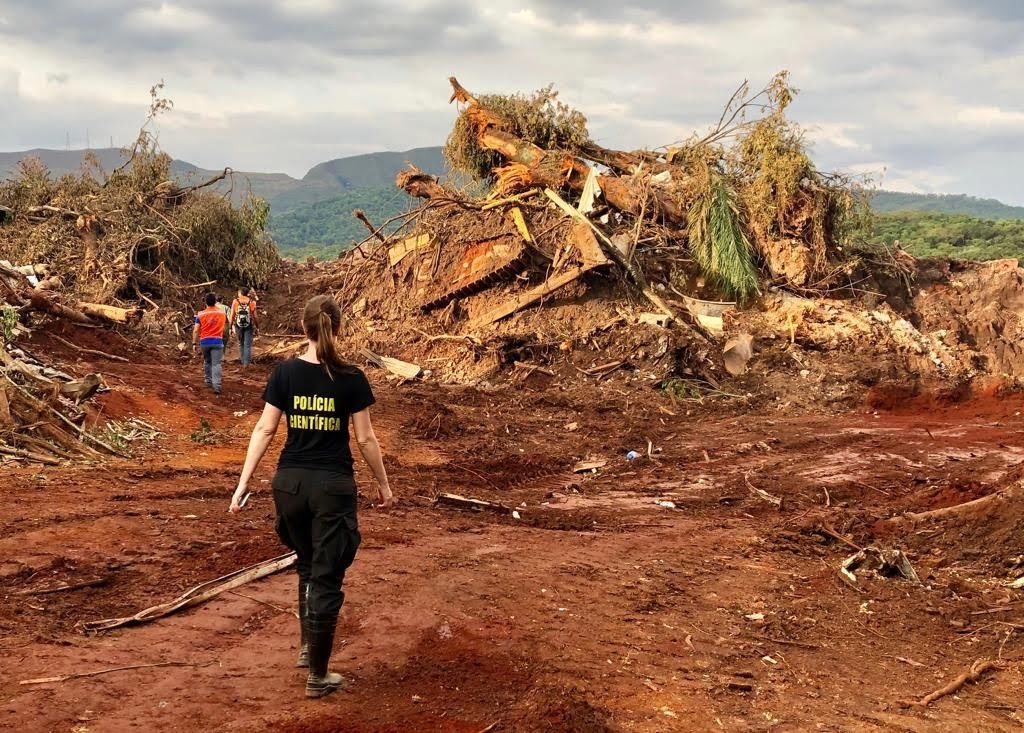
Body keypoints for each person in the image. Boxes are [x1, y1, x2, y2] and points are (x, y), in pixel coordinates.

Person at [229, 294, 394, 699]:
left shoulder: (285, 373)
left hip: (288, 485)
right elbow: (365, 438)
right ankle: (318, 676)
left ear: (304, 330)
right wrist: (384, 484)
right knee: (326, 576)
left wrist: (243, 482)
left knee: (307, 564)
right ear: (337, 329)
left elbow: (265, 430)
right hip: (331, 488)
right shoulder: (352, 378)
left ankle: (307, 649)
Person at [192, 292, 227, 394]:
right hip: (217, 341)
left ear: (205, 302)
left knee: (207, 361)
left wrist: (194, 343)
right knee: (216, 363)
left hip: (205, 341)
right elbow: (224, 326)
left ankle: (208, 381)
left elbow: (196, 330)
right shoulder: (222, 313)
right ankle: (217, 386)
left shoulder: (201, 314)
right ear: (215, 301)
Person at [231, 287, 258, 367]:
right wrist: (257, 326)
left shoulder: (235, 301)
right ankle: (246, 363)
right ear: (247, 293)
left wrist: (230, 326)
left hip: (238, 324)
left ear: (240, 293)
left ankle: (243, 360)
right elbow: (255, 316)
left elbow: (232, 314)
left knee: (241, 343)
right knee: (247, 344)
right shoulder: (252, 302)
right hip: (248, 324)